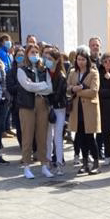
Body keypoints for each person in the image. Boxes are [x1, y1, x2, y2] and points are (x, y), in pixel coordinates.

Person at [16, 42, 52, 179]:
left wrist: (37, 86)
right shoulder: (21, 69)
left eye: (37, 52)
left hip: (42, 103)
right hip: (27, 105)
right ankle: (26, 166)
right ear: (27, 54)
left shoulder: (43, 69)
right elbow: (27, 86)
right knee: (27, 136)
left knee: (42, 136)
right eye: (32, 52)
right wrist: (42, 85)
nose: (35, 55)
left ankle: (44, 165)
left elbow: (49, 88)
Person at [67, 48, 101, 174]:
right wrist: (73, 88)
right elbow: (67, 88)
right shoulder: (72, 72)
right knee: (80, 137)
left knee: (90, 137)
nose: (80, 62)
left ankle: (96, 163)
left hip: (89, 109)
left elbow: (93, 91)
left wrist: (78, 91)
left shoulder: (93, 73)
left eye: (83, 59)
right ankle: (85, 163)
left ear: (87, 60)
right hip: (77, 109)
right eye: (78, 59)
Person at [44, 48, 68, 176]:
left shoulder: (61, 76)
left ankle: (59, 163)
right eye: (46, 58)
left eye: (50, 59)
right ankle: (48, 161)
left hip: (58, 108)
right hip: (48, 108)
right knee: (48, 136)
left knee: (58, 136)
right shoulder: (45, 72)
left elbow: (58, 95)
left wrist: (48, 97)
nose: (47, 61)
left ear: (57, 60)